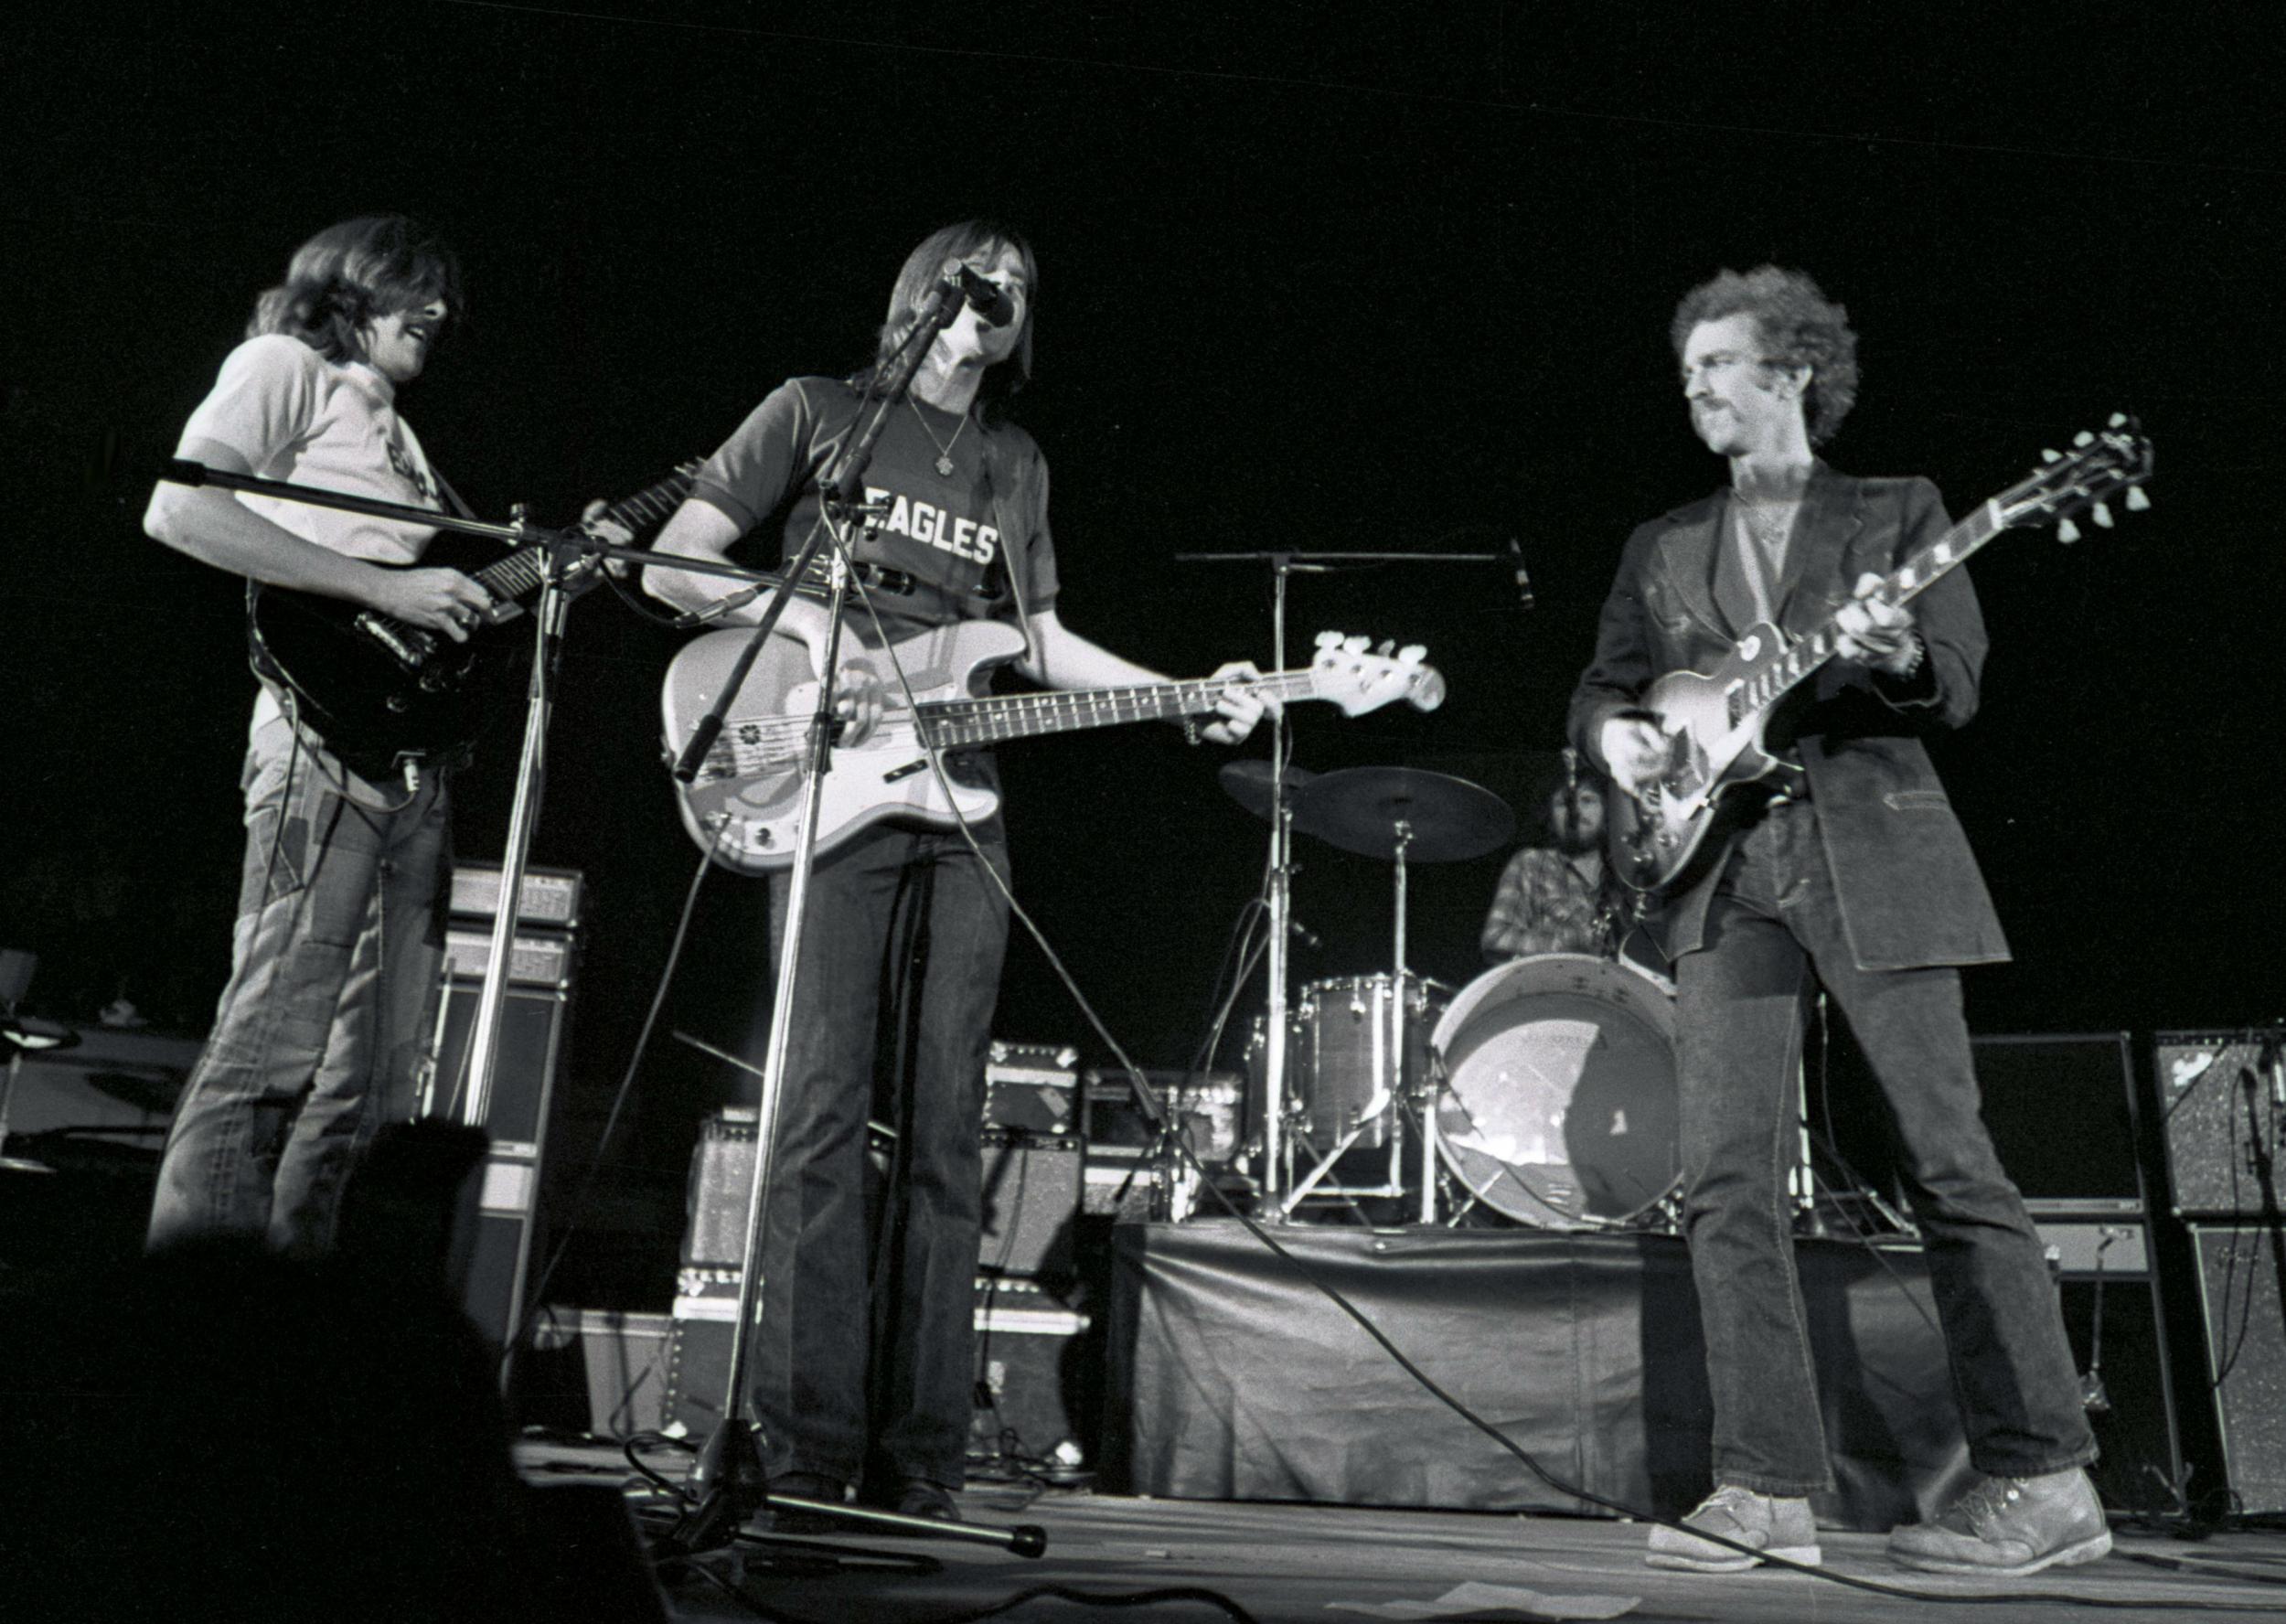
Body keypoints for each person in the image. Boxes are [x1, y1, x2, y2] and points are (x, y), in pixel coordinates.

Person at [643, 220, 1266, 1522]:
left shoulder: (1012, 462)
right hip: (823, 784)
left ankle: (918, 1459)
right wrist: (806, 620)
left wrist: (1180, 694)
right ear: (920, 296)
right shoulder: (819, 415)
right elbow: (673, 557)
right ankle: (808, 1453)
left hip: (962, 803)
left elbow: (1033, 641)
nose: (993, 304)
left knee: (943, 1132)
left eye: (1016, 290)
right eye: (971, 282)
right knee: (817, 1111)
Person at [1570, 266, 2106, 1576]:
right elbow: (1601, 690)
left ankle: (2047, 1484)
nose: (1693, 386)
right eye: (1687, 368)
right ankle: (1764, 1491)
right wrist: (1624, 742)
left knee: (1948, 1159)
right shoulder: (1662, 544)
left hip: (1870, 845)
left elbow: (1955, 683)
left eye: (1718, 363)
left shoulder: (1899, 512)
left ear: (1794, 371)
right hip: (1719, 871)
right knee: (1726, 1183)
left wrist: (1898, 653)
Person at [142, 217, 491, 1258]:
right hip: (317, 741)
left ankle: (297, 1340)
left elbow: (418, 600)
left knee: (370, 1079)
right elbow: (179, 510)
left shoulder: (400, 434)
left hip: (407, 756)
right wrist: (387, 585)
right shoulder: (286, 364)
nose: (437, 311)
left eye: (446, 299)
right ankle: (198, 1317)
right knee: (272, 1044)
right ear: (351, 287)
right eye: (415, 288)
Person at [1479, 760, 1619, 963]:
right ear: (1550, 817)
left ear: (1607, 811)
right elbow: (1496, 938)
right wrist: (1567, 944)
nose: (1575, 812)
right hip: (1553, 989)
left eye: (1587, 800)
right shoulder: (1532, 863)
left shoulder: (1624, 876)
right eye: (1564, 803)